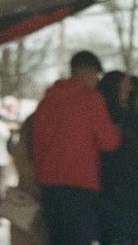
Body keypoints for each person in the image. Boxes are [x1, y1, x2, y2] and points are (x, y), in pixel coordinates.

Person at [32, 51, 122, 245]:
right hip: (80, 186)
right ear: (90, 72)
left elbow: (36, 144)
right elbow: (109, 142)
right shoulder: (91, 99)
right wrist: (118, 131)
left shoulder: (47, 100)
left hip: (49, 185)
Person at [98, 71, 138, 245]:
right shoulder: (116, 116)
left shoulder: (130, 114)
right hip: (118, 191)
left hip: (126, 190)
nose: (129, 89)